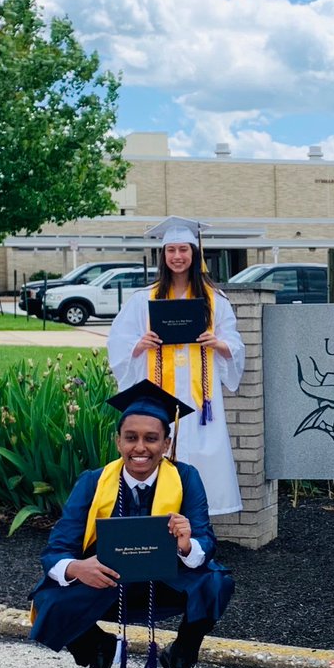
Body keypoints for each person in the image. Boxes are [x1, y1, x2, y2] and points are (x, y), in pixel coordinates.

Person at [29, 379, 234, 668]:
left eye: (151, 438)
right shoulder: (93, 482)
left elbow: (206, 540)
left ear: (166, 444)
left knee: (216, 583)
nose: (140, 447)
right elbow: (56, 550)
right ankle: (97, 650)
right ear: (118, 441)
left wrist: (185, 544)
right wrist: (78, 568)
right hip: (107, 578)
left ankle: (180, 657)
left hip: (165, 576)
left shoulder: (185, 477)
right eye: (131, 438)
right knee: (47, 600)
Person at [107, 216, 245, 516]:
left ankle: (196, 528)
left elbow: (234, 343)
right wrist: (138, 345)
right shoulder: (142, 300)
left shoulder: (215, 301)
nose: (177, 256)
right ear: (163, 255)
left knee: (201, 457)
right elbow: (117, 343)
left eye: (184, 249)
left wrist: (218, 343)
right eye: (171, 250)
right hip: (159, 395)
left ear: (195, 254)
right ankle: (156, 520)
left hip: (201, 400)